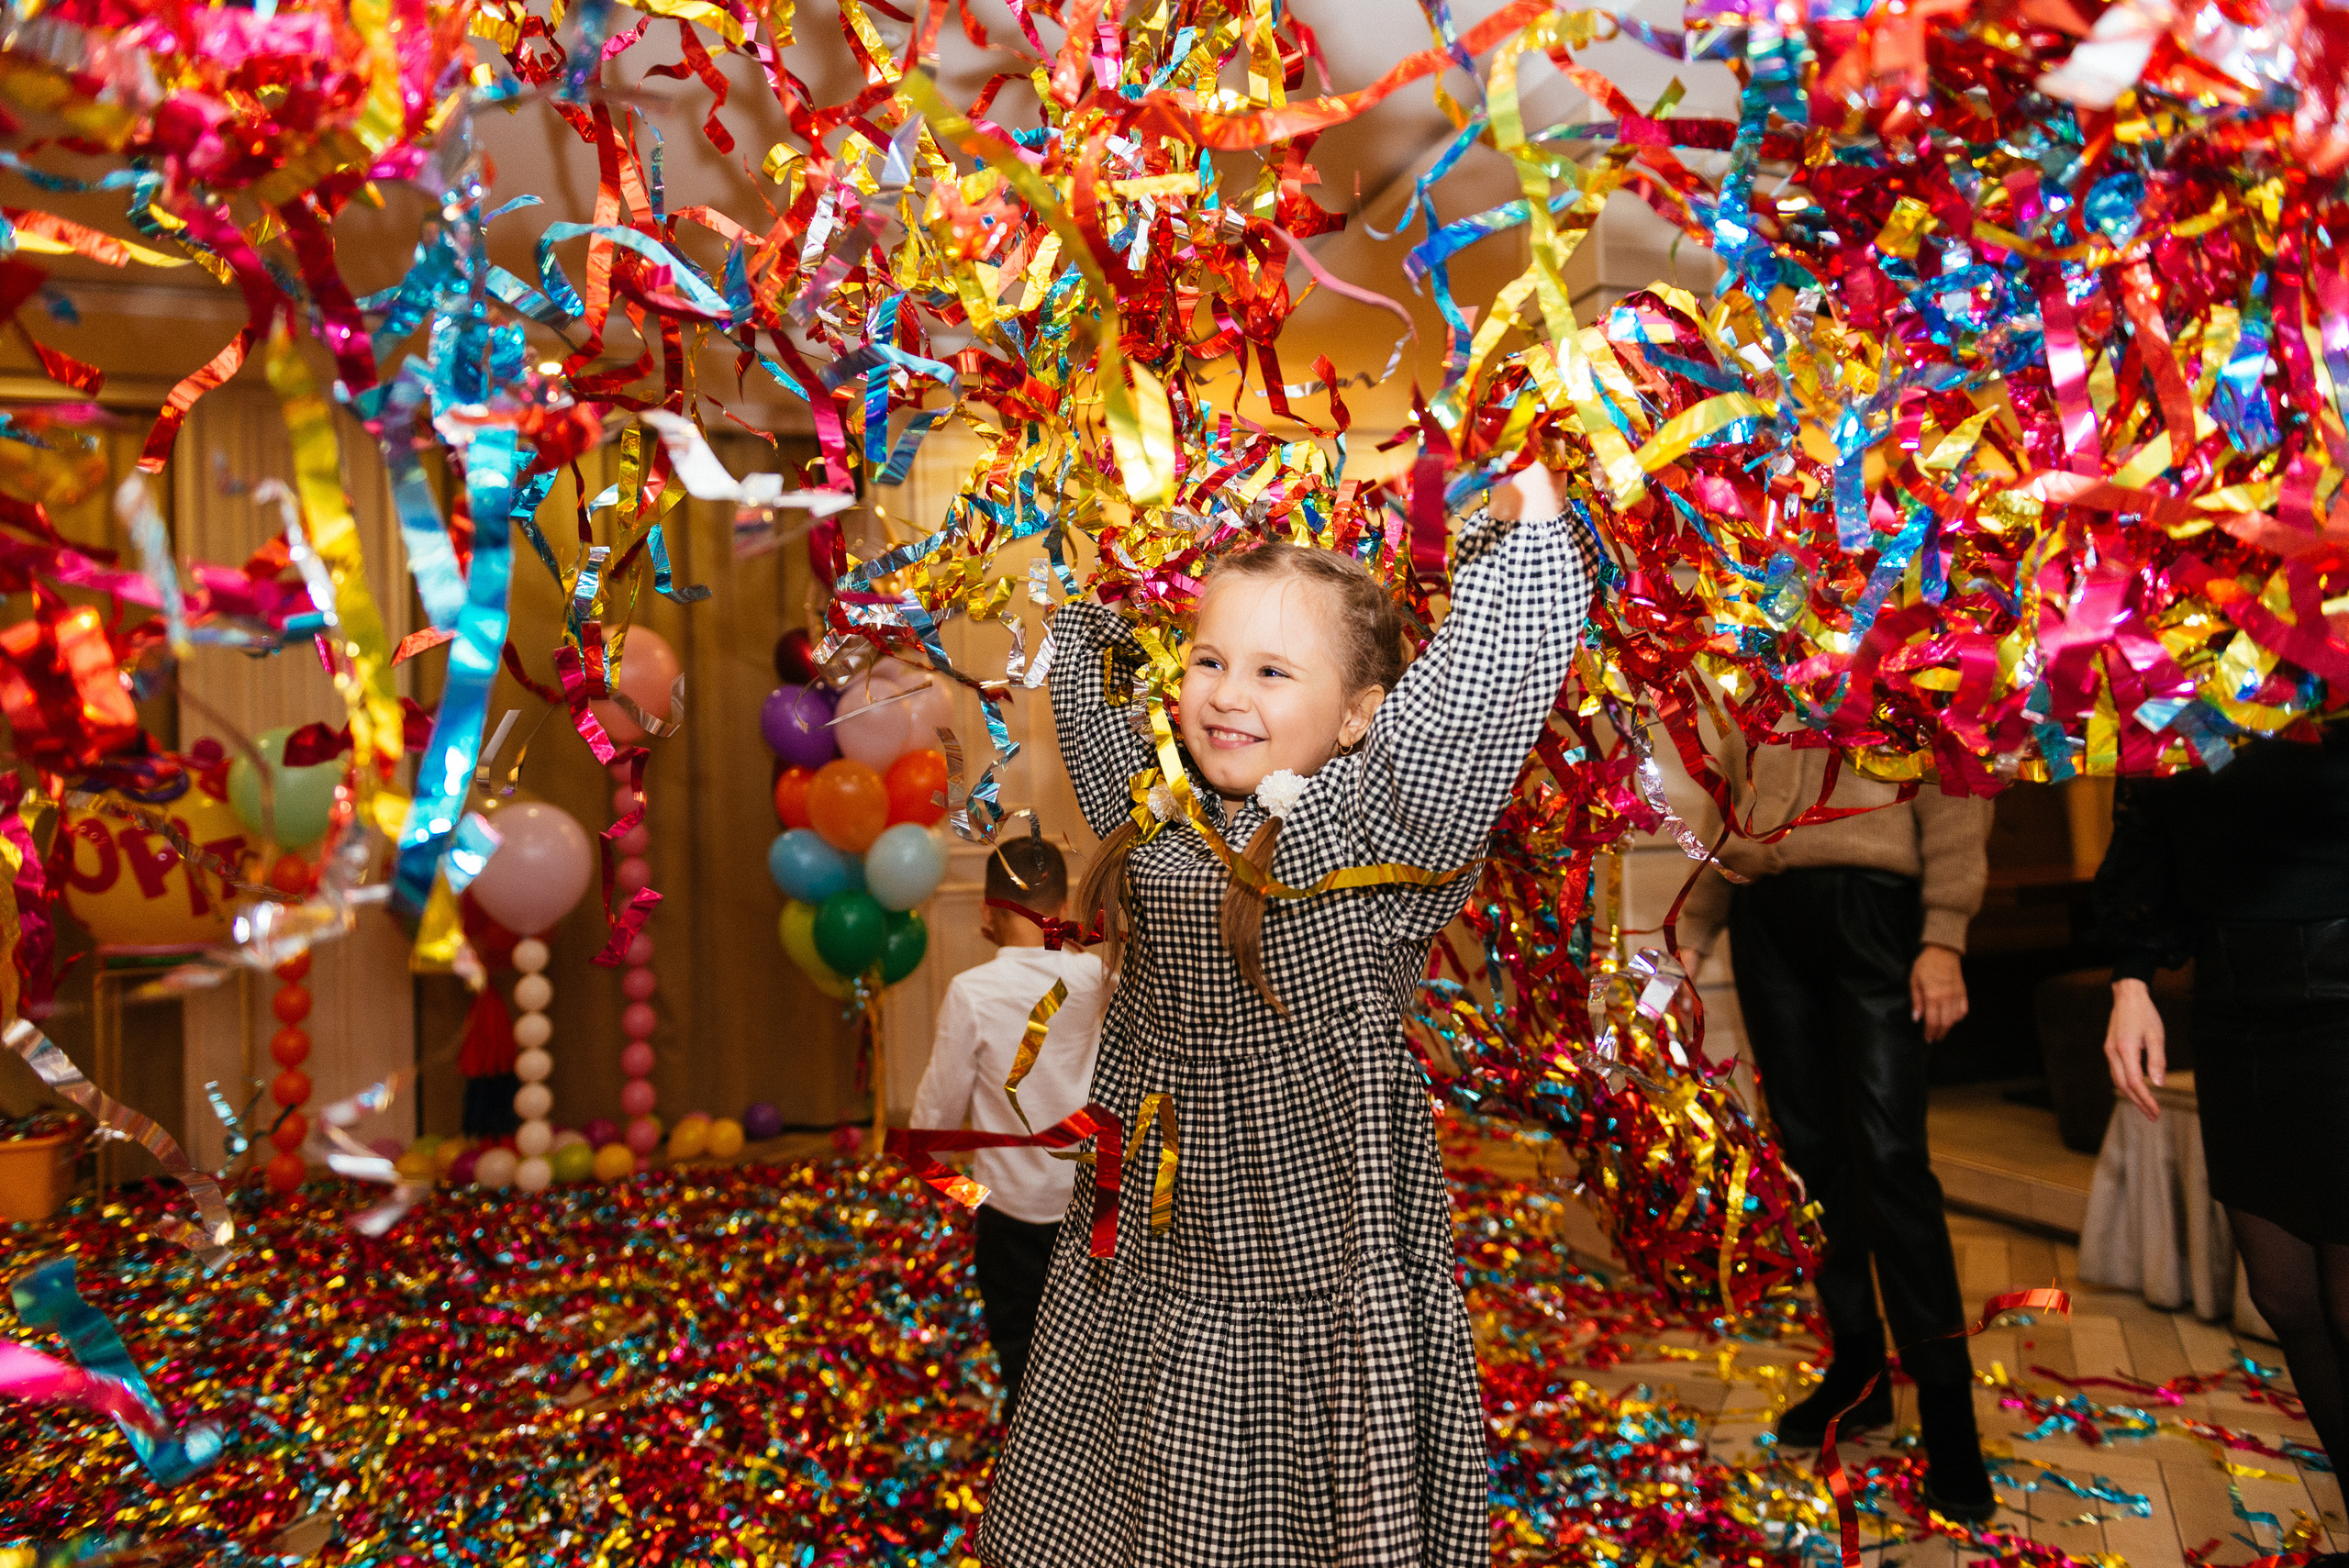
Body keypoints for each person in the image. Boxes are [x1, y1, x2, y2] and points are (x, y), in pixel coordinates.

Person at [974, 468, 1592, 1566]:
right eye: (1209, 659)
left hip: (1294, 1240)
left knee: (1271, 1491)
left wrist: (1527, 523)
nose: (1225, 693)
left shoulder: (1370, 825)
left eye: (1271, 670)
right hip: (1146, 1217)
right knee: (1121, 1471)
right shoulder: (1158, 802)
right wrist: (1111, 523)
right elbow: (1086, 662)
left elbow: (1488, 689)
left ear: (1362, 713)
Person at [1679, 747, 1998, 1521]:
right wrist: (1692, 930)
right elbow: (1729, 791)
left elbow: (1958, 781)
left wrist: (1944, 935)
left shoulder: (1906, 638)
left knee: (1891, 1161)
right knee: (1809, 1156)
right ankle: (1858, 1374)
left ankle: (1950, 1414)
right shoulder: (1762, 650)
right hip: (1767, 913)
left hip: (1875, 907)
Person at [2098, 728, 2349, 1511]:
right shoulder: (2172, 659)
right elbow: (2143, 826)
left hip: (2345, 1001)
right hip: (2233, 1009)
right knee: (2285, 1296)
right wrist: (2130, 982)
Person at [908, 831, 1108, 1420]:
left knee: (1025, 1367)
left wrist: (977, 1198)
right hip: (1096, 1211)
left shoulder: (973, 993)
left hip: (1012, 1222)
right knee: (1096, 1364)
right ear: (1066, 913)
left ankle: (1037, 1481)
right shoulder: (1098, 982)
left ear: (987, 913)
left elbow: (928, 1135)